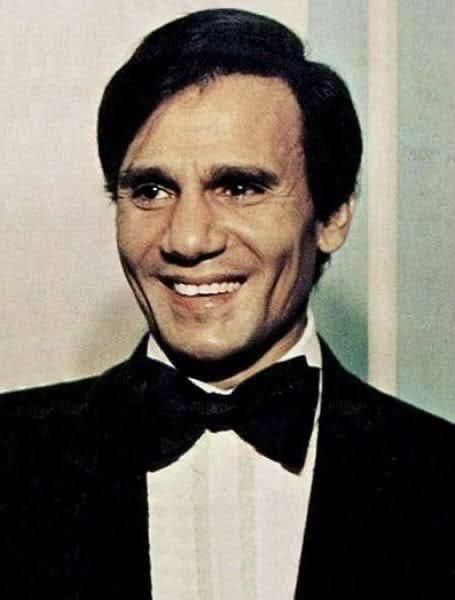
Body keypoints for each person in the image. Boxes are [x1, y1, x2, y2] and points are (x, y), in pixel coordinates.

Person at [0, 8, 453, 599]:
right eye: (151, 190)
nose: (188, 239)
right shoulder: (10, 460)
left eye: (239, 187)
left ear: (333, 215)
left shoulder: (441, 480)